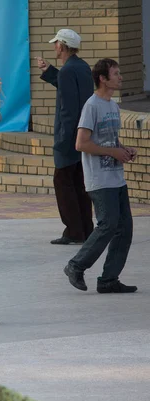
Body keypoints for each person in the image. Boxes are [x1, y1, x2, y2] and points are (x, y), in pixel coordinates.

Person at [64, 59, 138, 294]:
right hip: (99, 179)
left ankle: (108, 279)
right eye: (116, 74)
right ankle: (76, 265)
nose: (121, 77)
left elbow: (109, 140)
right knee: (107, 225)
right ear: (102, 79)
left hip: (117, 177)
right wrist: (112, 151)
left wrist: (123, 149)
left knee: (124, 228)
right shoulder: (92, 105)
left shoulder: (113, 106)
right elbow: (81, 143)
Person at [38, 29, 94, 245]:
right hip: (83, 133)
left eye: (56, 44)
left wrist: (62, 139)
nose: (54, 47)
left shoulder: (68, 70)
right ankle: (85, 228)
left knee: (63, 182)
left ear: (61, 46)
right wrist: (50, 71)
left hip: (69, 136)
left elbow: (69, 108)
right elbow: (73, 92)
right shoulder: (80, 67)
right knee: (78, 182)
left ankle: (73, 231)